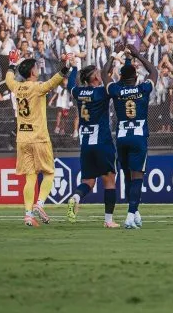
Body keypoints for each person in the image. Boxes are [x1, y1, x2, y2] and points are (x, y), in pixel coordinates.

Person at [5, 51, 70, 227]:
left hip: (22, 138)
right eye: (36, 67)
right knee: (49, 173)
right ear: (33, 72)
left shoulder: (16, 87)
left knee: (30, 177)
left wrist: (12, 64)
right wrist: (66, 65)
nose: (38, 68)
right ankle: (39, 204)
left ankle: (27, 215)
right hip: (39, 137)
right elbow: (54, 81)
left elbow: (9, 78)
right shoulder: (38, 87)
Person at [108, 44, 158, 230]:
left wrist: (117, 55)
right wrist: (137, 55)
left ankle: (135, 212)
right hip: (138, 137)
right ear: (136, 77)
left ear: (120, 77)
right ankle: (130, 215)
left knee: (127, 175)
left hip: (121, 137)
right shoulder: (143, 89)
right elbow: (154, 72)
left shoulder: (116, 91)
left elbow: (106, 75)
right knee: (137, 177)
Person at [65, 56, 118, 228]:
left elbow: (70, 86)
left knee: (88, 181)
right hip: (102, 141)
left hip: (86, 143)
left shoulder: (79, 92)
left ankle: (76, 197)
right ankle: (109, 221)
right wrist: (112, 60)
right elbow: (108, 77)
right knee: (109, 180)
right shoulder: (102, 92)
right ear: (95, 77)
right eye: (98, 73)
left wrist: (73, 68)